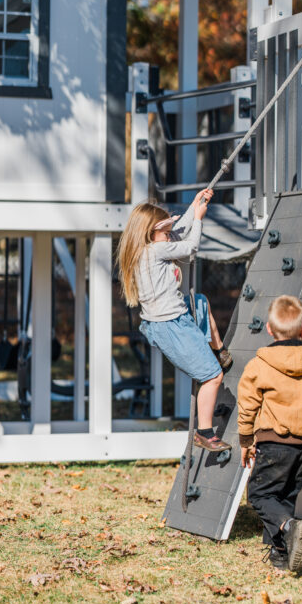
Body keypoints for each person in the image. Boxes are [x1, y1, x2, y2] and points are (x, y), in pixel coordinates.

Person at [117, 189, 232, 452]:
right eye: (165, 232)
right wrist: (200, 218)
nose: (170, 236)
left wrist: (194, 204)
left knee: (200, 301)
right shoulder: (154, 252)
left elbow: (179, 231)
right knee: (213, 377)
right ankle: (204, 433)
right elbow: (190, 245)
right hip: (170, 326)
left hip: (175, 318)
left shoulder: (150, 247)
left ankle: (219, 350)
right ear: (151, 234)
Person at [237, 295, 302, 571]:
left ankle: (289, 526)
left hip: (272, 441)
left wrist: (246, 440)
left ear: (270, 330)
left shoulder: (260, 364)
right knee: (285, 497)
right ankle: (281, 554)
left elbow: (247, 405)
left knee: (261, 496)